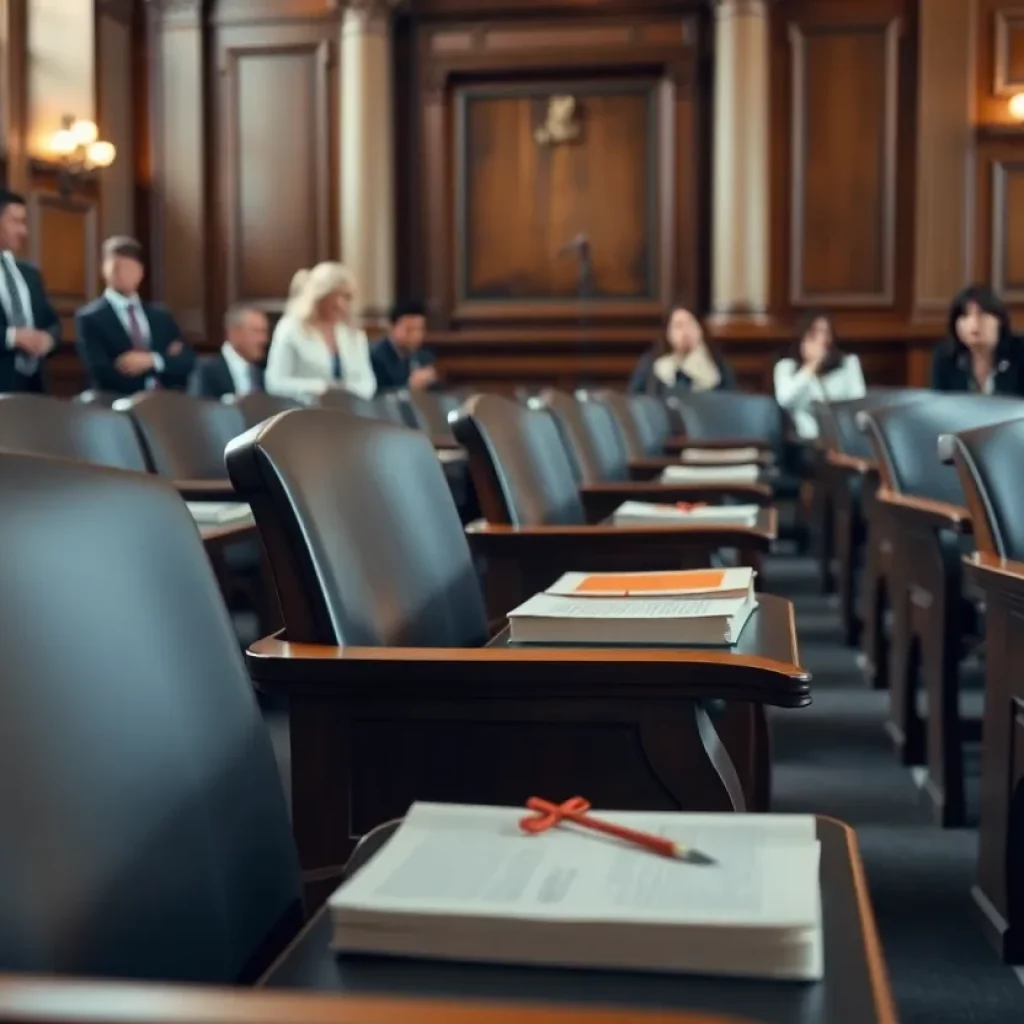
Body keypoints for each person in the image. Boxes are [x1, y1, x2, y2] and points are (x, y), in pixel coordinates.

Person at [76, 236, 196, 394]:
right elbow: (101, 373)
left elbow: (187, 362)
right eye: (116, 268)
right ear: (104, 270)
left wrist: (152, 361)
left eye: (129, 269)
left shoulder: (161, 316)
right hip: (118, 405)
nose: (122, 275)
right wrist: (166, 360)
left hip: (166, 402)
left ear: (140, 272)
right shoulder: (90, 318)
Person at [265, 262, 377, 401]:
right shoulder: (290, 328)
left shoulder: (353, 333)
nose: (342, 304)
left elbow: (368, 383)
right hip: (302, 414)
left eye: (347, 297)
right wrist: (322, 388)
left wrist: (345, 391)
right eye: (337, 295)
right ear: (320, 294)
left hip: (348, 414)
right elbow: (275, 383)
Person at [0, 189, 61, 393]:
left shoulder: (30, 274)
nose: (24, 231)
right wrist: (12, 337)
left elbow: (52, 322)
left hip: (34, 392)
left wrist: (48, 339)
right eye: (16, 222)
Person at [773, 313, 866, 439]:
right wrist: (811, 366)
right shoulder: (786, 367)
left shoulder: (849, 364)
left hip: (844, 437)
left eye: (826, 333)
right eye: (813, 334)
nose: (821, 339)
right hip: (805, 441)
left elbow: (858, 402)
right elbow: (784, 400)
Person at [931, 284, 1024, 395]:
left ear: (1000, 321)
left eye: (982, 314)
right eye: (965, 315)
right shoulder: (946, 357)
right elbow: (940, 405)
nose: (974, 324)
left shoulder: (1020, 351)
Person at [627, 304, 735, 395]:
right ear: (668, 333)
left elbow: (730, 400)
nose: (685, 332)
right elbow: (634, 401)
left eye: (690, 324)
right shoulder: (650, 364)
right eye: (678, 326)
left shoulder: (717, 364)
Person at [193, 304, 270, 398]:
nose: (264, 339)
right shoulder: (206, 371)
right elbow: (198, 408)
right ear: (234, 333)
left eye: (265, 332)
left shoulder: (261, 372)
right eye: (257, 332)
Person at [371, 299, 438, 392]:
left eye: (420, 329)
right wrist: (409, 386)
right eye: (409, 330)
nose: (416, 335)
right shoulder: (377, 357)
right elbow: (378, 394)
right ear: (391, 327)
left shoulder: (424, 356)